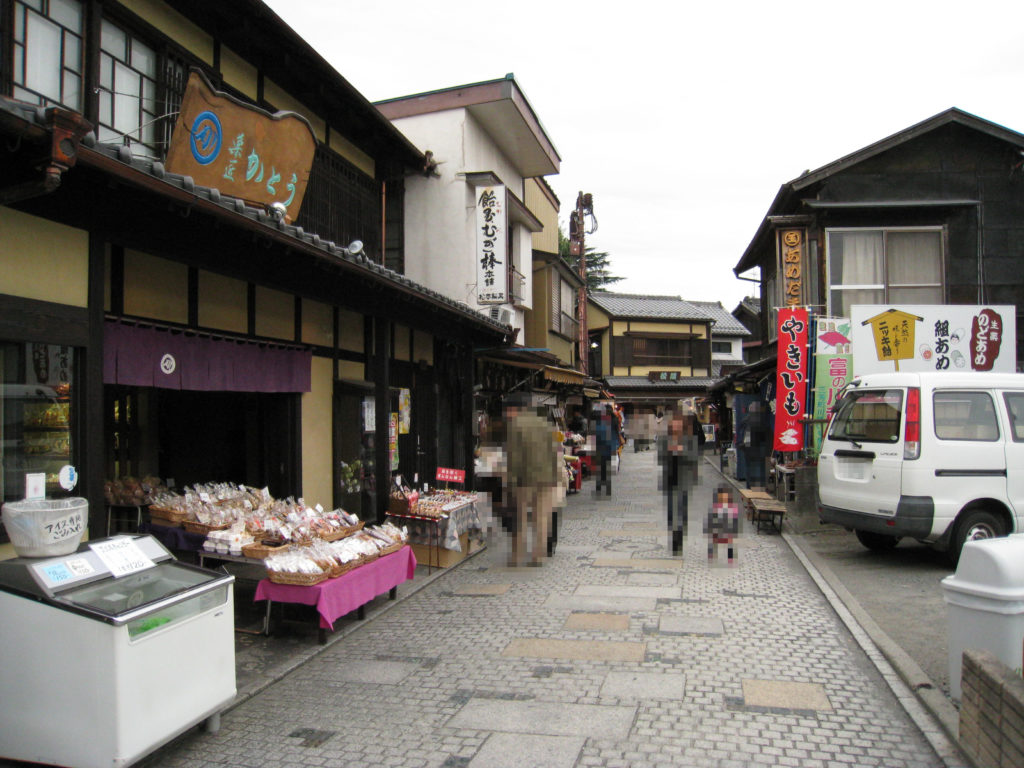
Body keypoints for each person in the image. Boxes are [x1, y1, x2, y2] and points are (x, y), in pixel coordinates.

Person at [503, 393, 561, 566]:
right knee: (541, 517)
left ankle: (517, 556)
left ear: (515, 409)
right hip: (547, 477)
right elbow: (554, 452)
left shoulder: (516, 425)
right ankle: (538, 556)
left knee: (519, 517)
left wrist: (511, 481)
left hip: (525, 479)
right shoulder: (546, 425)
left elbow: (515, 456)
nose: (506, 415)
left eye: (508, 410)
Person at [657, 402, 702, 555]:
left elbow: (694, 457)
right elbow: (660, 458)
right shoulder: (665, 440)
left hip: (683, 478)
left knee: (681, 508)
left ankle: (679, 535)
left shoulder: (689, 440)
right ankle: (673, 531)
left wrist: (683, 451)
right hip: (670, 478)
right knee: (671, 510)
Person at [705, 484, 740, 565]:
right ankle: (712, 556)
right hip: (717, 530)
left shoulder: (733, 508)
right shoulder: (715, 508)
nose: (723, 499)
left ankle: (730, 558)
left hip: (728, 530)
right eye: (721, 497)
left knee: (731, 539)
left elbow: (735, 521)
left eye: (725, 497)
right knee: (712, 538)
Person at [592, 403, 618, 497]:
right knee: (606, 468)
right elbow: (615, 434)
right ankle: (606, 489)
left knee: (601, 468)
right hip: (607, 447)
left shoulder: (599, 420)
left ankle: (600, 488)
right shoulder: (614, 420)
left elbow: (595, 433)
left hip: (601, 447)